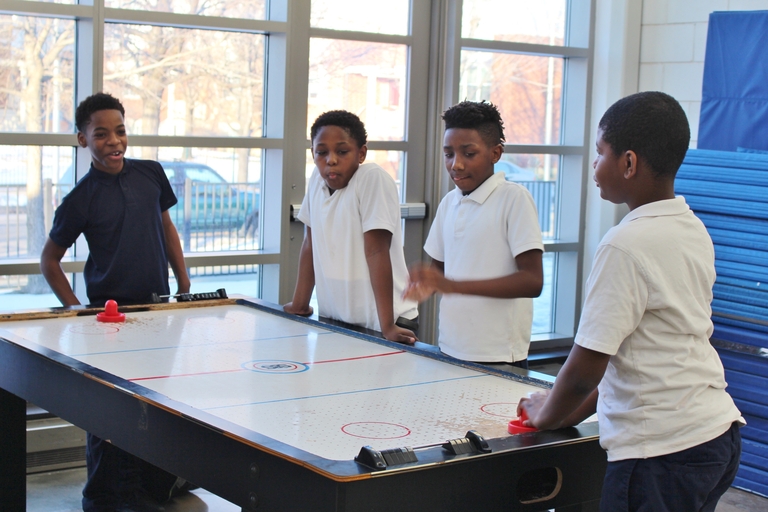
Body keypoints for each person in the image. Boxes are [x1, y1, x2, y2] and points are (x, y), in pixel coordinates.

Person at [518, 91, 743, 512]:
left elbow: (587, 368)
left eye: (600, 153)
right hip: (715, 435)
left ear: (628, 162)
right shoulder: (689, 226)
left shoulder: (625, 244)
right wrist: (560, 412)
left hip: (661, 452)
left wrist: (545, 414)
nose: (594, 167)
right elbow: (623, 360)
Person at [40, 92, 192, 512]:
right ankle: (106, 496)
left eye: (120, 131)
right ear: (82, 140)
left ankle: (153, 486)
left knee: (157, 404)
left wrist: (183, 282)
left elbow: (167, 229)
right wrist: (75, 309)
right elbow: (49, 260)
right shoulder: (80, 198)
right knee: (112, 413)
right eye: (101, 133)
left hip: (159, 310)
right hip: (111, 322)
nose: (114, 141)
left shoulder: (151, 174)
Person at [403, 100, 544, 368]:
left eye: (468, 154)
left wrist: (453, 286)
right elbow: (439, 274)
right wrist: (424, 282)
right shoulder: (449, 203)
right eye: (448, 154)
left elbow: (532, 281)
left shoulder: (514, 199)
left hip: (499, 356)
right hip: (450, 348)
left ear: (495, 153)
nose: (456, 164)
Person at [284, 110, 419, 344]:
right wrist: (300, 304)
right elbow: (310, 243)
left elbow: (376, 251)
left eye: (342, 151)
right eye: (321, 152)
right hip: (338, 318)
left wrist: (387, 326)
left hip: (387, 321)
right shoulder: (317, 181)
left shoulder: (372, 179)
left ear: (361, 153)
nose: (331, 160)